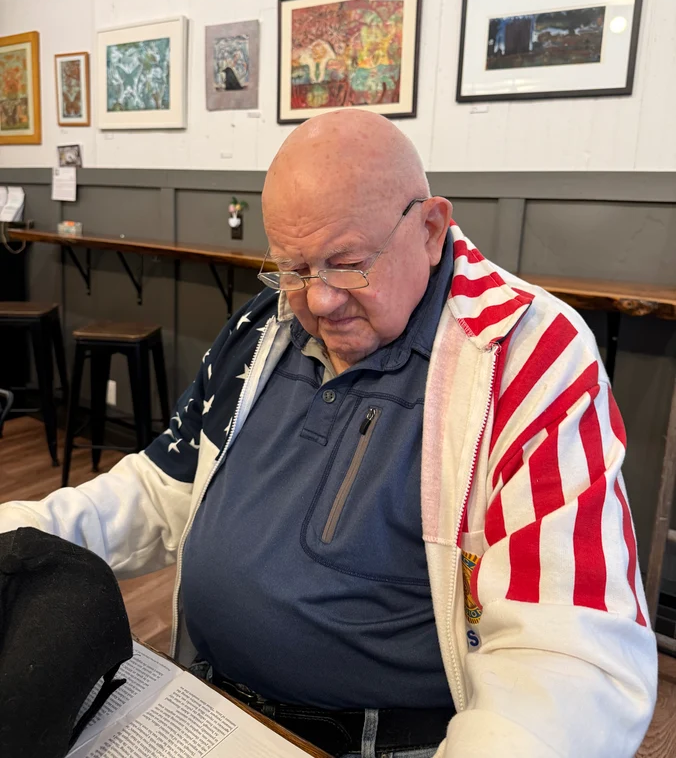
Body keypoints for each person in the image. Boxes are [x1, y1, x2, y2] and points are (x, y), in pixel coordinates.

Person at [0, 110, 657, 758]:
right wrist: (15, 535)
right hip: (202, 703)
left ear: (430, 229)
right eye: (293, 268)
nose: (318, 300)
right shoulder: (263, 327)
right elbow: (158, 489)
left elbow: (569, 660)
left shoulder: (525, 359)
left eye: (347, 264)